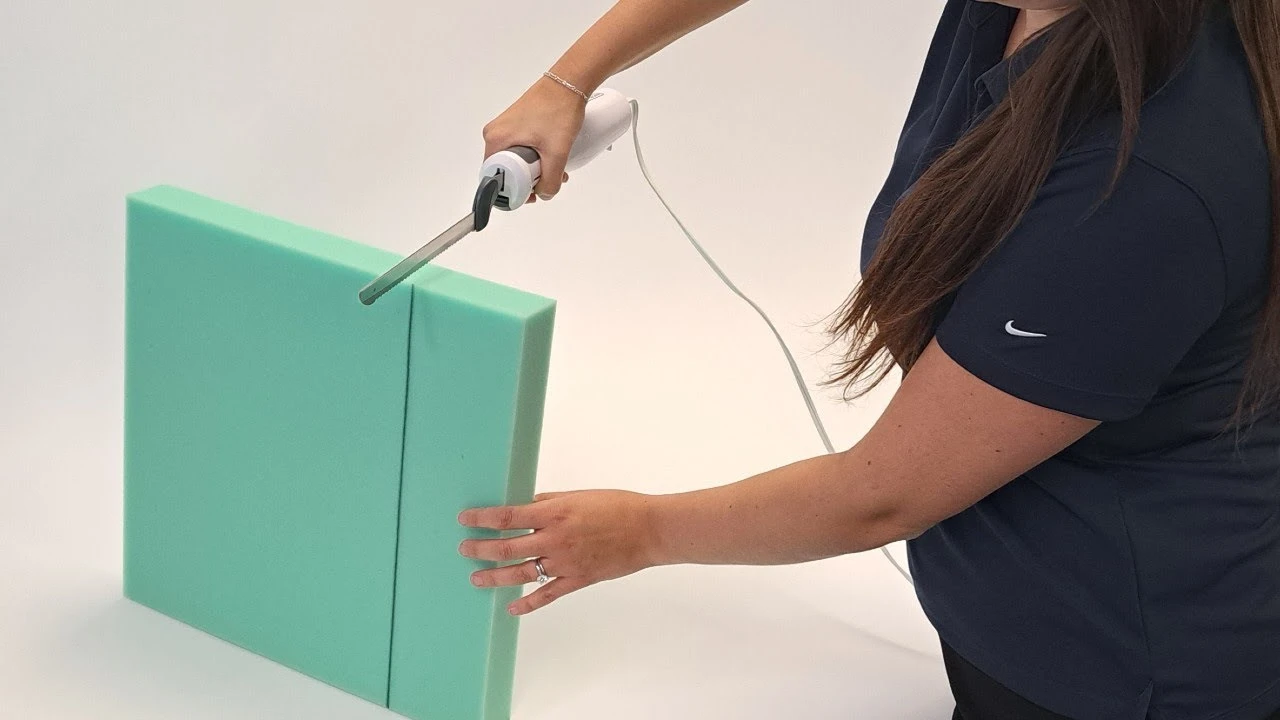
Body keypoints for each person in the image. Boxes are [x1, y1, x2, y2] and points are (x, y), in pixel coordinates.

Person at [456, 1, 1280, 717]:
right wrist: (568, 80)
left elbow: (882, 497)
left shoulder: (1146, 184)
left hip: (1113, 665)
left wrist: (639, 533)